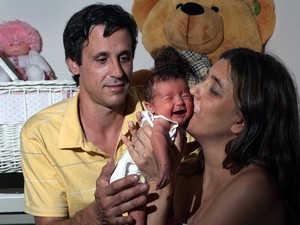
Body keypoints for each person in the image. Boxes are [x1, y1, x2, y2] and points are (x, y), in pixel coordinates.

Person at [124, 47, 300, 225]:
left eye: (214, 90)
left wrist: (159, 181)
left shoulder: (253, 188)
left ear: (240, 121)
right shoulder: (187, 177)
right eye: (203, 79)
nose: (193, 90)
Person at [20, 3, 151, 225]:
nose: (117, 72)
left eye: (124, 57)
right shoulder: (40, 133)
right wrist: (96, 215)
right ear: (73, 63)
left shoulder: (159, 111)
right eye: (102, 59)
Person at [110, 70, 194, 225]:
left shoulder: (174, 124)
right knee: (138, 206)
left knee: (149, 205)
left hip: (144, 174)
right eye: (169, 98)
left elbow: (177, 150)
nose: (180, 102)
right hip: (130, 176)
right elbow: (157, 138)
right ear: (151, 107)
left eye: (185, 95)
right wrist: (165, 165)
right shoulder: (161, 121)